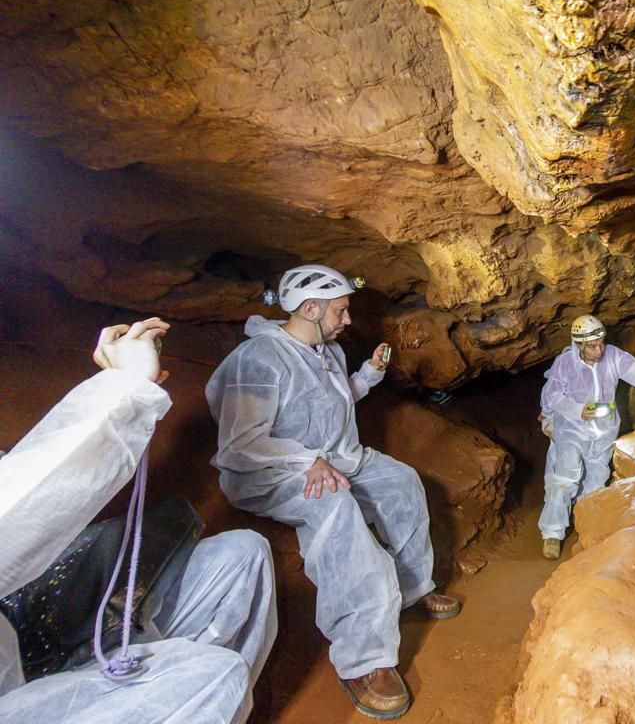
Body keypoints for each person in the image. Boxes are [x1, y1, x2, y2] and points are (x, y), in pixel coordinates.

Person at [205, 264, 459, 720]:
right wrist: (307, 460)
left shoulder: (327, 351)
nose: (347, 320)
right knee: (337, 510)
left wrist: (370, 374)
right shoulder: (260, 358)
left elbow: (333, 400)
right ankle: (365, 660)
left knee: (402, 483)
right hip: (274, 471)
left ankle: (411, 590)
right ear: (309, 308)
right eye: (340, 311)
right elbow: (241, 443)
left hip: (339, 458)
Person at [0, 318, 277, 724]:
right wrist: (127, 390)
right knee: (213, 677)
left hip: (22, 652)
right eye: (340, 309)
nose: (346, 320)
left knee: (243, 552)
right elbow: (23, 508)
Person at [538, 315, 635, 559]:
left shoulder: (612, 356)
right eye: (592, 346)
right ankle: (552, 534)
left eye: (601, 343)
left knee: (596, 478)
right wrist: (577, 410)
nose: (599, 350)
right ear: (578, 344)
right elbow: (552, 396)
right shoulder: (565, 363)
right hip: (571, 427)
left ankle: (584, 522)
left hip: (603, 428)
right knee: (565, 478)